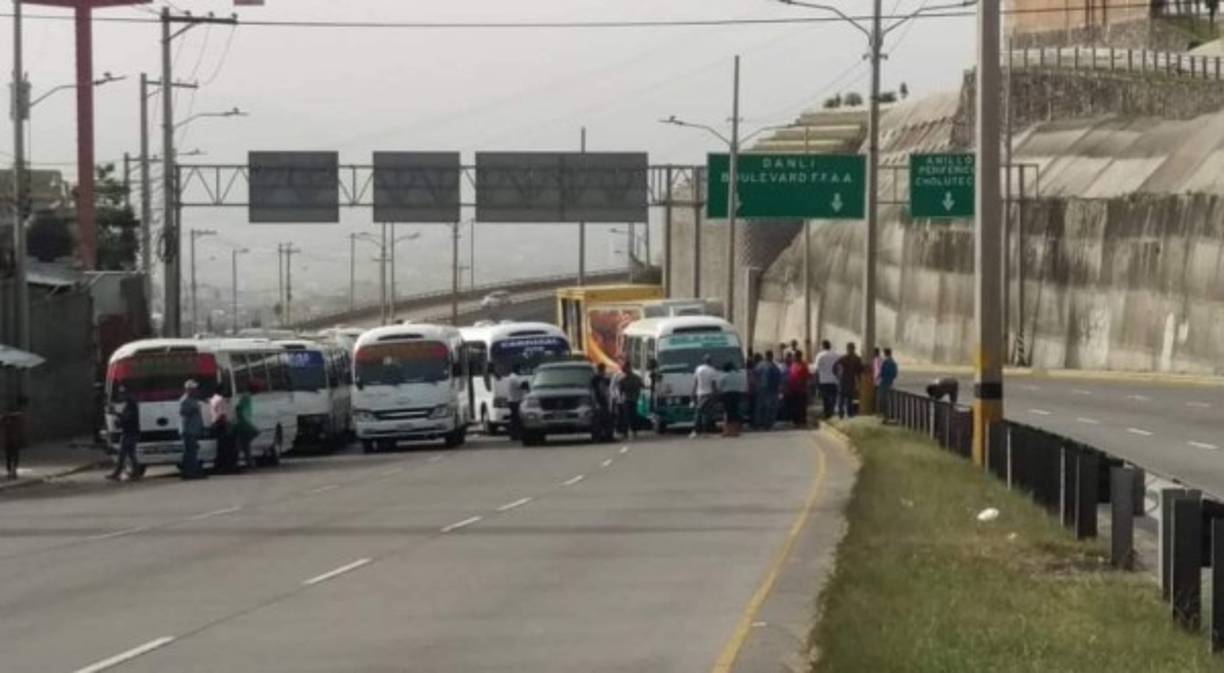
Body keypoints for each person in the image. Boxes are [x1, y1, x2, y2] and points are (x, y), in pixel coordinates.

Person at [108, 386, 142, 481]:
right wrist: (116, 414)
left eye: (122, 394)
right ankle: (136, 473)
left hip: (129, 433)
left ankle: (117, 473)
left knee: (122, 454)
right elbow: (125, 417)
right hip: (131, 432)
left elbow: (127, 419)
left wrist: (117, 417)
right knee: (131, 454)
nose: (120, 396)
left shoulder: (131, 404)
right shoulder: (129, 404)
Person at [178, 380, 207, 480]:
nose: (196, 390)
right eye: (194, 388)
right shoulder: (185, 400)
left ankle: (189, 472)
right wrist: (193, 410)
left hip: (193, 430)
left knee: (191, 452)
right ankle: (191, 473)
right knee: (191, 453)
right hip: (188, 430)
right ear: (188, 389)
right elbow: (183, 413)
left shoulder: (194, 399)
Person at [690, 355, 720, 438]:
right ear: (710, 361)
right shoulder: (712, 370)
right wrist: (716, 395)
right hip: (709, 394)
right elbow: (713, 385)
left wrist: (692, 393)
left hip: (700, 393)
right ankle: (704, 432)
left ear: (703, 361)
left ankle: (695, 431)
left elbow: (695, 382)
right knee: (706, 414)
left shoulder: (698, 369)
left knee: (698, 412)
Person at [833, 343, 865, 419]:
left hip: (844, 381)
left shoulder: (843, 358)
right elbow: (859, 371)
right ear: (853, 349)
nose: (850, 350)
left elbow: (834, 368)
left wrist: (838, 375)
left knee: (844, 399)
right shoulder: (856, 359)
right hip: (849, 381)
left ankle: (842, 414)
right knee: (848, 399)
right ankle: (848, 414)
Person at [210, 387, 236, 473]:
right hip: (222, 425)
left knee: (221, 447)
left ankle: (220, 466)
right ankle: (226, 467)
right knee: (226, 447)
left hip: (217, 424)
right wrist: (228, 426)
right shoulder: (221, 400)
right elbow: (222, 415)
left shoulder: (213, 399)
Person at [753, 350, 782, 430]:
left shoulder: (760, 365)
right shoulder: (774, 366)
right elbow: (779, 378)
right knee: (768, 407)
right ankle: (766, 424)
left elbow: (755, 376)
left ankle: (761, 424)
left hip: (764, 389)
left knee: (762, 407)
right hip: (769, 389)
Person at [813, 340, 840, 420]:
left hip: (824, 380)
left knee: (825, 398)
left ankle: (827, 413)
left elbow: (816, 368)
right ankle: (831, 412)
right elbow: (839, 367)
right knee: (833, 397)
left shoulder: (820, 355)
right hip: (834, 380)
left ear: (823, 346)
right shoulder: (836, 355)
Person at [616, 362, 644, 440]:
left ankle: (630, 432)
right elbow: (642, 386)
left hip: (629, 400)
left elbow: (620, 390)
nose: (624, 370)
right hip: (631, 399)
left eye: (625, 368)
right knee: (631, 416)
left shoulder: (626, 379)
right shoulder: (634, 378)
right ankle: (630, 432)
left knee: (629, 416)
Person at [719, 361, 748, 437]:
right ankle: (736, 431)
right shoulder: (739, 375)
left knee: (728, 413)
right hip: (737, 395)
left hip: (727, 395)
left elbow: (720, 387)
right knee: (736, 413)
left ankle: (727, 431)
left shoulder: (724, 375)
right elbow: (743, 385)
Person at [786, 351, 812, 427]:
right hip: (793, 388)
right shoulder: (793, 364)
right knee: (794, 406)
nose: (794, 358)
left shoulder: (803, 365)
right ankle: (795, 421)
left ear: (799, 356)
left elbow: (807, 376)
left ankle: (802, 421)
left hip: (801, 389)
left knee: (801, 406)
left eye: (795, 356)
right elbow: (790, 375)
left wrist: (803, 382)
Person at [235, 387, 258, 469]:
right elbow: (239, 408)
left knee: (242, 445)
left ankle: (246, 462)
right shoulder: (246, 396)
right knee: (244, 446)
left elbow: (239, 408)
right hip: (245, 424)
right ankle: (249, 462)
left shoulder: (246, 396)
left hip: (244, 424)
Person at [590, 363, 614, 442]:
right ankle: (597, 437)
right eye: (602, 370)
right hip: (598, 401)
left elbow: (607, 390)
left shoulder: (605, 379)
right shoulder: (595, 379)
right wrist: (595, 402)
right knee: (598, 420)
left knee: (607, 419)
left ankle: (607, 436)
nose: (603, 372)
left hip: (604, 401)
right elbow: (593, 392)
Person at [506, 364, 527, 441]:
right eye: (519, 369)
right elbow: (522, 385)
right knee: (516, 419)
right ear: (516, 369)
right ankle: (515, 435)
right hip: (515, 401)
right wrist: (527, 384)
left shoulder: (512, 377)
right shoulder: (514, 378)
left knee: (515, 419)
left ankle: (514, 434)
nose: (520, 371)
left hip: (513, 400)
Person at [878, 348, 899, 418]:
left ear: (885, 353)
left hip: (884, 383)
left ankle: (883, 413)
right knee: (890, 399)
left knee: (882, 399)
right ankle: (890, 414)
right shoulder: (894, 362)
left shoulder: (885, 362)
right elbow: (895, 374)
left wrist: (878, 377)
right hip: (890, 382)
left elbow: (881, 373)